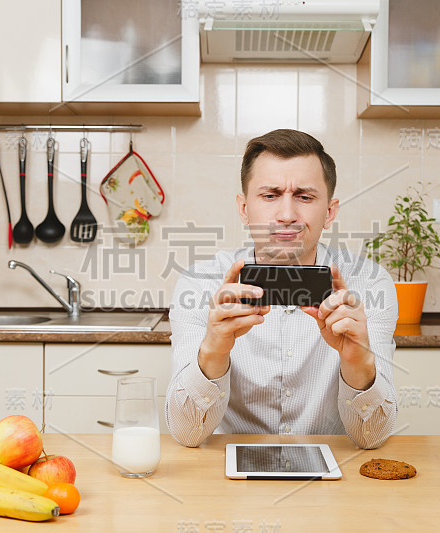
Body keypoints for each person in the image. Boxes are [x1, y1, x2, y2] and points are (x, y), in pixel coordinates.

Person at [165, 129, 398, 448]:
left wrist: (358, 361)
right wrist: (213, 351)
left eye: (304, 196)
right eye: (270, 195)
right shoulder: (200, 284)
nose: (287, 215)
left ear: (329, 212)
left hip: (335, 484)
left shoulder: (370, 284)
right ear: (244, 208)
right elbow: (187, 433)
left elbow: (372, 438)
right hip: (224, 481)